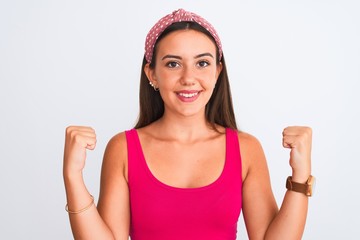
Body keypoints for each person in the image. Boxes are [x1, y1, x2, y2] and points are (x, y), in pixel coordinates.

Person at [63, 9, 314, 240]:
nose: (188, 78)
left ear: (217, 72)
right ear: (151, 74)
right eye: (173, 63)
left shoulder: (246, 149)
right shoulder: (123, 149)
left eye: (202, 63)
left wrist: (300, 177)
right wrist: (73, 176)